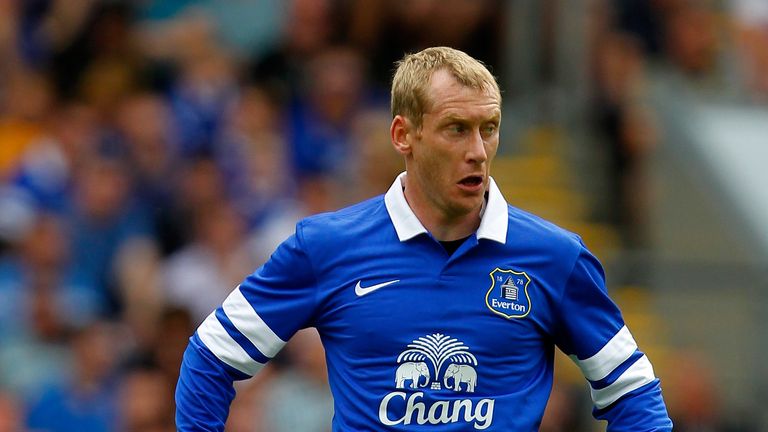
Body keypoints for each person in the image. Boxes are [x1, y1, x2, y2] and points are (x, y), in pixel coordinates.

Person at [175, 46, 672, 431]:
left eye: (490, 128)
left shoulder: (554, 257)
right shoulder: (325, 247)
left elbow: (632, 391)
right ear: (402, 135)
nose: (478, 151)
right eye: (457, 129)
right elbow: (211, 355)